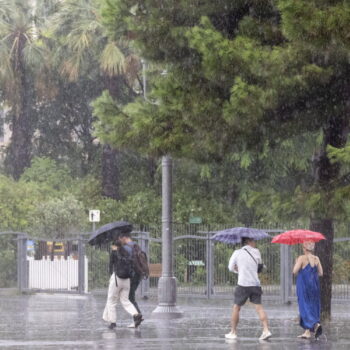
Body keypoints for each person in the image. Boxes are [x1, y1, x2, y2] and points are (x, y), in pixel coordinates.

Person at [225, 237, 272, 340]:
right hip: (255, 284)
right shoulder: (257, 252)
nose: (255, 242)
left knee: (236, 308)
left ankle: (233, 332)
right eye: (253, 241)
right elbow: (258, 266)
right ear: (248, 241)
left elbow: (230, 267)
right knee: (259, 308)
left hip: (243, 284)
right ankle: (266, 330)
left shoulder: (237, 253)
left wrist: (238, 270)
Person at [102, 240, 143, 329]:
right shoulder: (128, 253)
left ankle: (112, 322)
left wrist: (111, 275)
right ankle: (136, 314)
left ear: (115, 246)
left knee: (111, 300)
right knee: (125, 300)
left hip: (117, 279)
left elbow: (110, 266)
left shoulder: (114, 253)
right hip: (127, 280)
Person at [293, 241, 323, 339]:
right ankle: (307, 332)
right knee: (312, 306)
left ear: (304, 248)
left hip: (303, 286)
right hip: (314, 286)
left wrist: (296, 262)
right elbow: (321, 273)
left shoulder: (301, 258)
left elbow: (294, 271)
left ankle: (315, 324)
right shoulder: (316, 258)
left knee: (304, 307)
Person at [117, 231, 143, 328]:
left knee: (129, 298)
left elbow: (125, 262)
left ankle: (137, 317)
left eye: (120, 239)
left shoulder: (126, 248)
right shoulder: (136, 246)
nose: (120, 241)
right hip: (138, 274)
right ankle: (138, 316)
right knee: (130, 297)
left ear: (124, 237)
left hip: (131, 275)